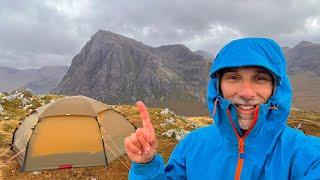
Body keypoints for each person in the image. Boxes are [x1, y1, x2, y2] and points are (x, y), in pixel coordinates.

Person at [124, 38, 320, 179]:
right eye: (233, 78)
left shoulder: (305, 154)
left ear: (276, 89)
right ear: (218, 87)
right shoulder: (192, 145)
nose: (246, 92)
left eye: (260, 78)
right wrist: (147, 166)